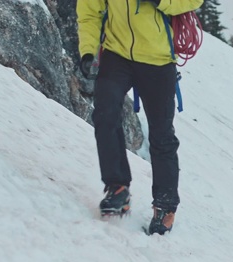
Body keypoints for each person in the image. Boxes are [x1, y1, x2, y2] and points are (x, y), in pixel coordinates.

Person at [76, 0, 203, 235]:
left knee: (162, 133)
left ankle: (165, 206)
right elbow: (89, 12)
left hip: (158, 59)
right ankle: (117, 188)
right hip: (117, 54)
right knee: (105, 113)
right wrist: (88, 50)